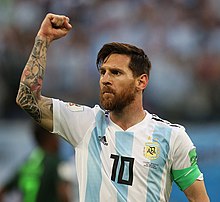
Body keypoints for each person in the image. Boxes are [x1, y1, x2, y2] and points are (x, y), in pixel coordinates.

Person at [16, 13, 209, 202]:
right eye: (103, 72)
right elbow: (27, 99)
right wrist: (43, 39)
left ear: (141, 82)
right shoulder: (85, 123)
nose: (105, 80)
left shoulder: (172, 137)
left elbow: (199, 198)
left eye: (116, 73)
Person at [0, 123, 74, 202]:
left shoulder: (28, 162)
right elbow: (63, 193)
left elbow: (2, 190)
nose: (59, 140)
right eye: (57, 135)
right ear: (49, 137)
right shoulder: (54, 162)